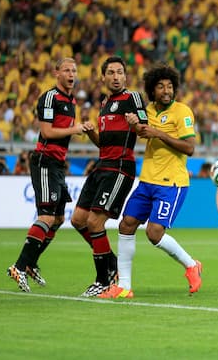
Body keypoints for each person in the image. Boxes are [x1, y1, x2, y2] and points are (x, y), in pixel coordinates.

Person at [98, 64, 201, 299]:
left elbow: (190, 148)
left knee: (154, 233)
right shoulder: (147, 110)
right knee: (126, 224)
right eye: (160, 86)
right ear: (152, 90)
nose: (166, 90)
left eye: (170, 86)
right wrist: (135, 124)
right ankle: (124, 286)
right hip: (147, 181)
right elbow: (142, 131)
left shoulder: (182, 112)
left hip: (172, 183)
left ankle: (191, 265)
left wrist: (159, 134)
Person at [7, 58, 94, 292]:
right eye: (66, 70)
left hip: (57, 164)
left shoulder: (70, 101)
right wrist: (76, 129)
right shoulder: (49, 98)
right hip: (44, 161)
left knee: (57, 219)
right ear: (56, 73)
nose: (71, 74)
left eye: (74, 70)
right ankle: (19, 266)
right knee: (46, 216)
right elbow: (46, 131)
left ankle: (31, 264)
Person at [70, 56, 148, 297]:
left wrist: (135, 124)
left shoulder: (132, 98)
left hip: (120, 167)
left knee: (95, 222)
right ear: (102, 77)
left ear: (125, 76)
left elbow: (145, 130)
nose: (116, 77)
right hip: (102, 164)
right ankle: (111, 263)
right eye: (111, 73)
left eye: (120, 72)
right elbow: (103, 144)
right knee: (78, 220)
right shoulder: (104, 104)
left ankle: (103, 280)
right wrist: (92, 133)